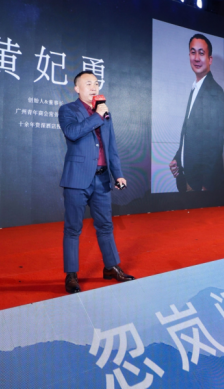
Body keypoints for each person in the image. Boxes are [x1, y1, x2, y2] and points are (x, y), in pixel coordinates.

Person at [58, 70, 134, 294]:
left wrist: (118, 174)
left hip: (101, 178)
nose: (94, 87)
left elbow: (111, 146)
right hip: (77, 178)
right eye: (88, 83)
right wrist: (97, 116)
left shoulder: (104, 112)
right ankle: (71, 274)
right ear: (77, 88)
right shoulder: (68, 110)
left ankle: (111, 267)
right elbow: (73, 132)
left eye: (96, 83)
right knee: (73, 228)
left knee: (105, 225)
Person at [169, 34, 224, 192]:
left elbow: (215, 144)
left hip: (200, 186)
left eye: (201, 53)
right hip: (187, 179)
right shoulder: (196, 87)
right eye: (193, 52)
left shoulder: (214, 92)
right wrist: (178, 159)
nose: (196, 58)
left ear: (210, 59)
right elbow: (191, 135)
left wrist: (205, 186)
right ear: (189, 55)